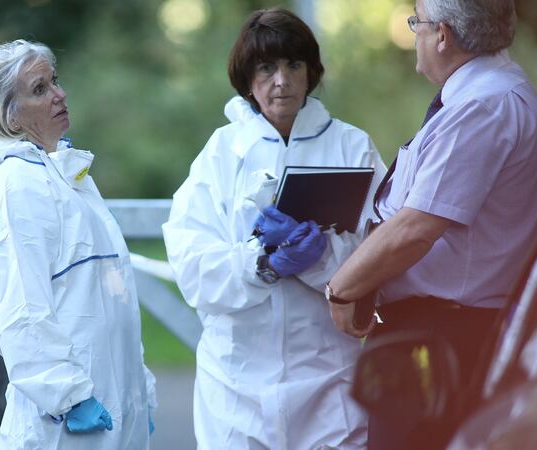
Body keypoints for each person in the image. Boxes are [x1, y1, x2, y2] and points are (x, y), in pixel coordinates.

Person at [325, 0, 537, 449]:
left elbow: (415, 228)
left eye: (418, 22)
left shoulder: (482, 107)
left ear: (443, 35)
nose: (415, 33)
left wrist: (343, 286)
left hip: (445, 336)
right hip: (451, 329)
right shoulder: (488, 93)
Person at [163, 8, 387, 450]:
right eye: (266, 68)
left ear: (311, 73)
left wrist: (323, 259)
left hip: (329, 380)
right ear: (248, 80)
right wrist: (261, 263)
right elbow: (193, 269)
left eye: (293, 65)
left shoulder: (351, 147)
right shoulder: (221, 154)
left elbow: (381, 255)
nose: (281, 81)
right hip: (235, 387)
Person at [0, 39, 156, 450]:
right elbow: (21, 310)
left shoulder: (69, 176)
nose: (59, 94)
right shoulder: (12, 188)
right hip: (63, 424)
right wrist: (68, 398)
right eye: (39, 89)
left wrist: (141, 392)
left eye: (55, 81)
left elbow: (113, 293)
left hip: (114, 407)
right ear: (9, 117)